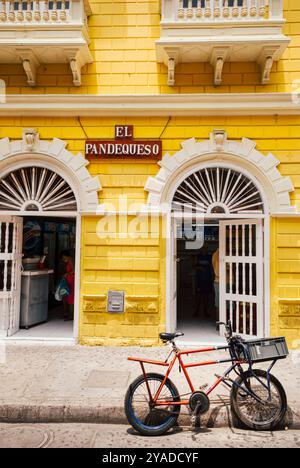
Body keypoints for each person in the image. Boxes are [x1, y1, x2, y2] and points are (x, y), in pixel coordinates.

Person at [61, 250, 75, 321]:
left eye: (63, 257)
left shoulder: (70, 260)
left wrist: (67, 274)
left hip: (72, 281)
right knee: (68, 297)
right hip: (70, 281)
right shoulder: (69, 260)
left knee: (70, 298)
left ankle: (71, 316)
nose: (63, 259)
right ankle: (69, 314)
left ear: (67, 256)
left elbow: (74, 270)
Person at [212, 248, 219, 316]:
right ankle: (220, 324)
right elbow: (218, 272)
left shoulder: (215, 254)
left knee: (218, 303)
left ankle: (219, 324)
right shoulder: (218, 254)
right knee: (219, 304)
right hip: (221, 282)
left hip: (217, 281)